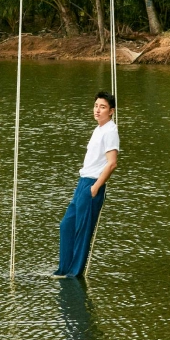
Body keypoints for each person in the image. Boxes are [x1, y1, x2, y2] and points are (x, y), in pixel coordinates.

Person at [55, 91, 119, 277]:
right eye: (96, 106)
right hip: (83, 183)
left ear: (111, 111)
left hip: (92, 184)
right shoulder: (99, 129)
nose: (97, 110)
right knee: (67, 225)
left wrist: (95, 188)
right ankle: (64, 270)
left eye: (103, 107)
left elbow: (112, 163)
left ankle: (74, 274)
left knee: (82, 232)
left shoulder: (110, 131)